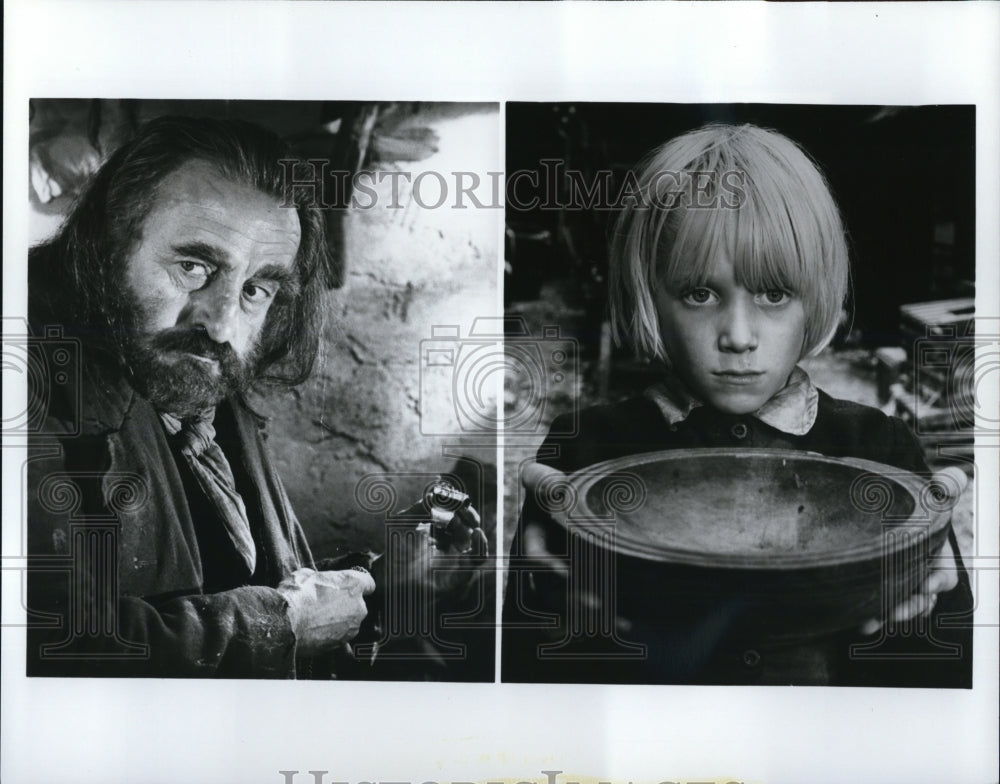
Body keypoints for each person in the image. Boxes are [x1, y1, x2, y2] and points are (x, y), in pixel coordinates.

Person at [502, 123, 974, 687]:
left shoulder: (878, 448)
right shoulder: (587, 448)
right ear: (649, 294)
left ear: (815, 298)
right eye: (700, 294)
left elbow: (949, 665)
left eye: (774, 294)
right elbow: (526, 660)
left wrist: (924, 607)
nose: (739, 335)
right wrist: (553, 611)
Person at [24, 115, 475, 678]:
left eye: (256, 288)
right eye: (192, 267)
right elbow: (48, 648)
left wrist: (376, 583)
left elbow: (238, 584)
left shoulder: (203, 385)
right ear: (106, 245)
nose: (222, 323)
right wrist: (280, 624)